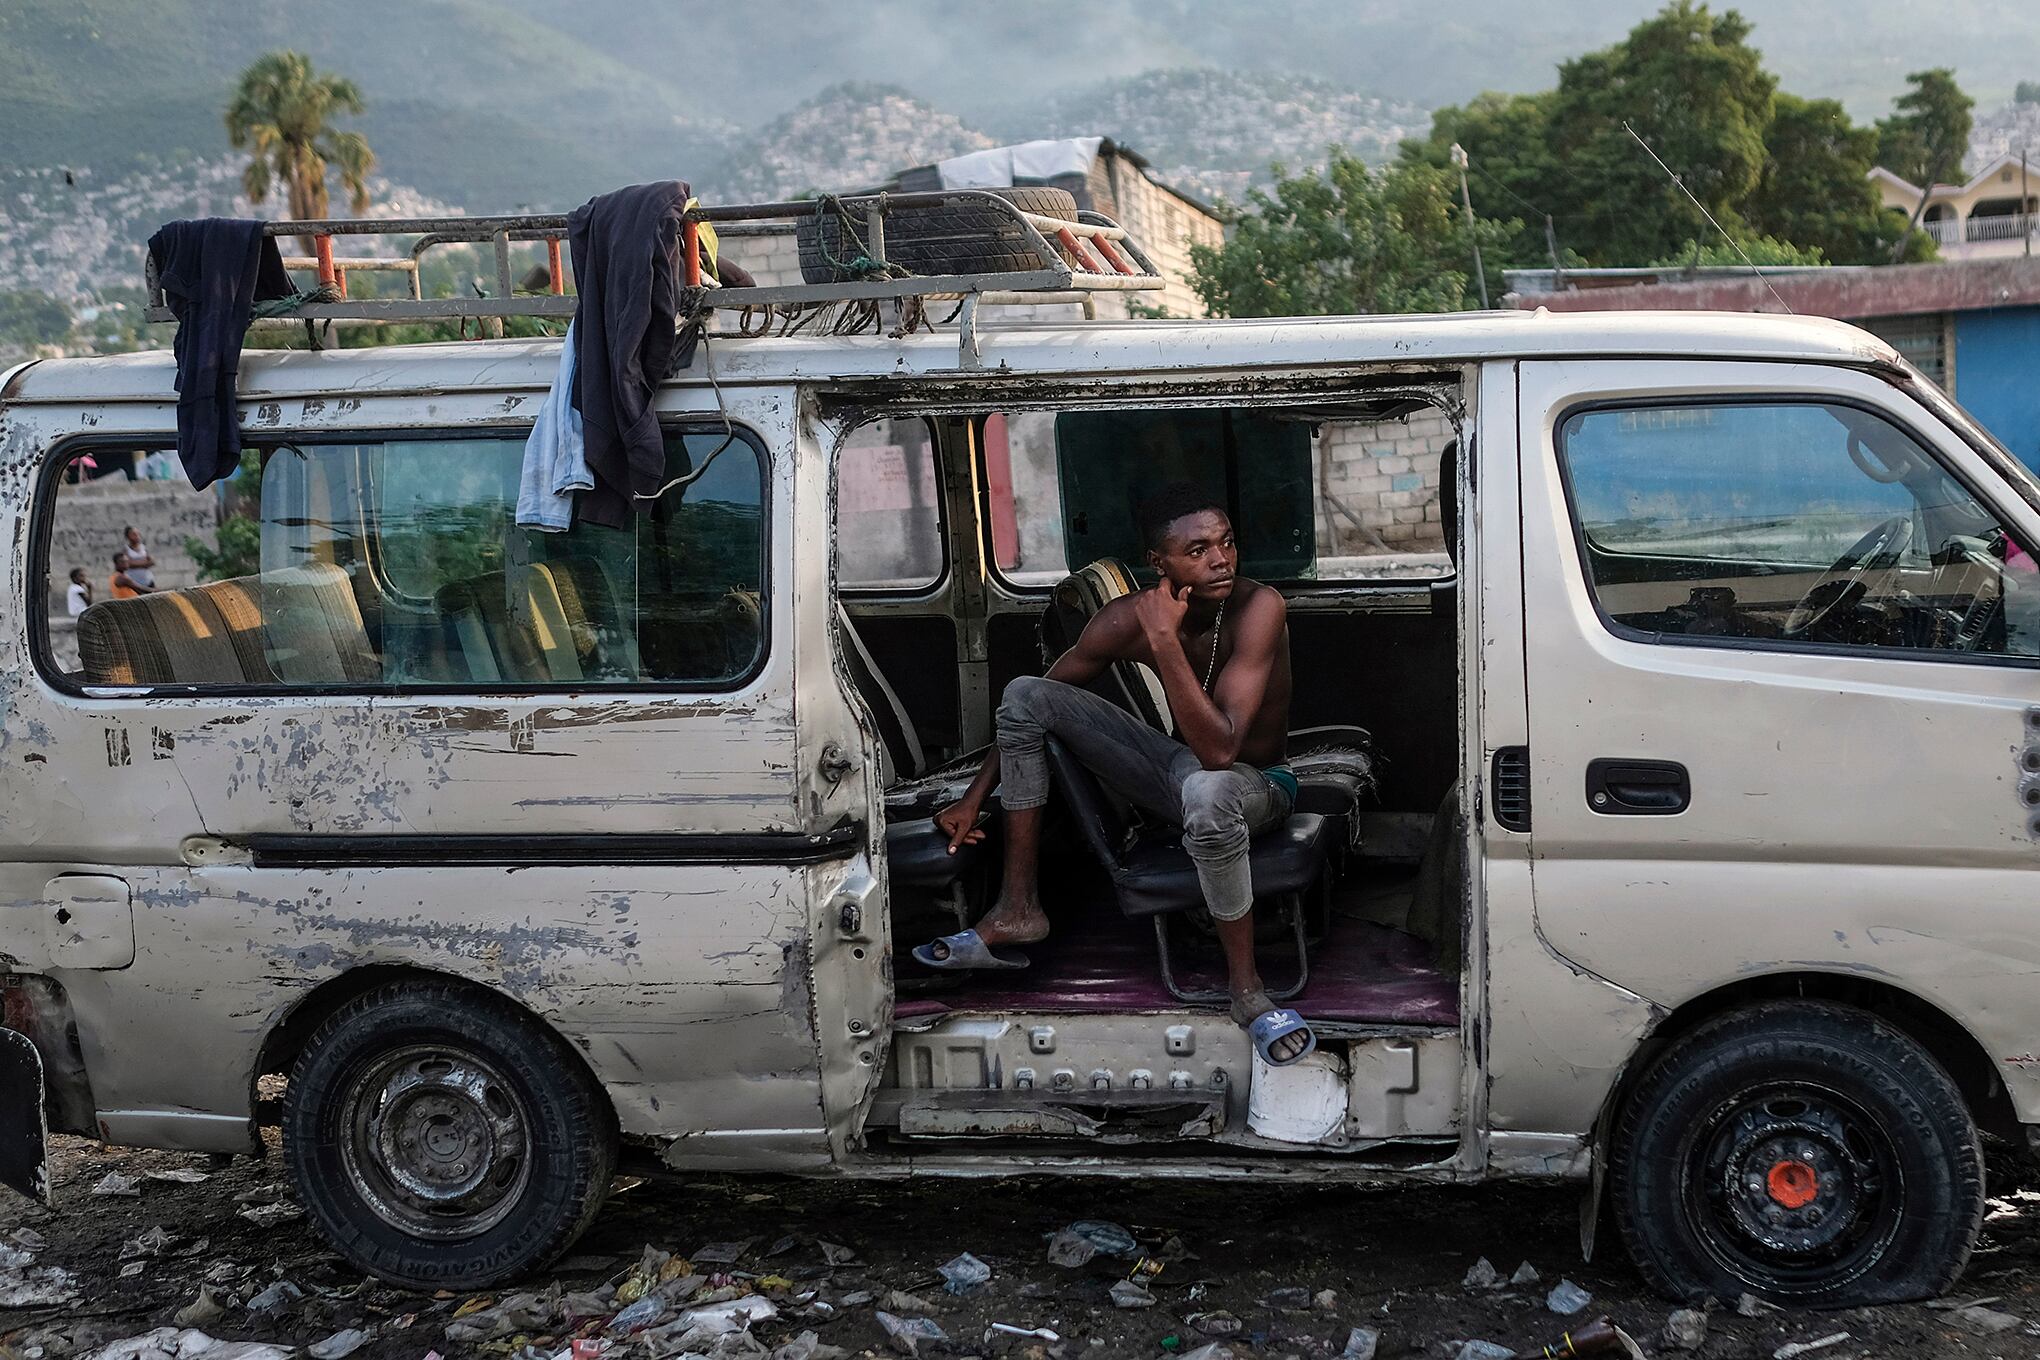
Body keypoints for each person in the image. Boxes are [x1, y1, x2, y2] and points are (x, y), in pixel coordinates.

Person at [913, 484, 1315, 1065]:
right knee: (1026, 693)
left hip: (1259, 784)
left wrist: (1162, 643)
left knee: (1207, 787)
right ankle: (1018, 908)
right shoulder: (1121, 620)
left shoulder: (1259, 608)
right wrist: (976, 797)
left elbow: (1222, 751)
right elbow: (1039, 699)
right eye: (1197, 550)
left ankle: (1247, 992)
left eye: (1226, 543)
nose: (1221, 559)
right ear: (1159, 564)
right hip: (1181, 774)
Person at [120, 526, 156, 590]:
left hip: (148, 581)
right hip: (134, 584)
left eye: (138, 534)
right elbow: (129, 564)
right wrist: (145, 563)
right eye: (133, 534)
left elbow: (152, 562)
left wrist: (135, 563)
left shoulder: (144, 547)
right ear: (127, 536)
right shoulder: (126, 549)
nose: (137, 536)